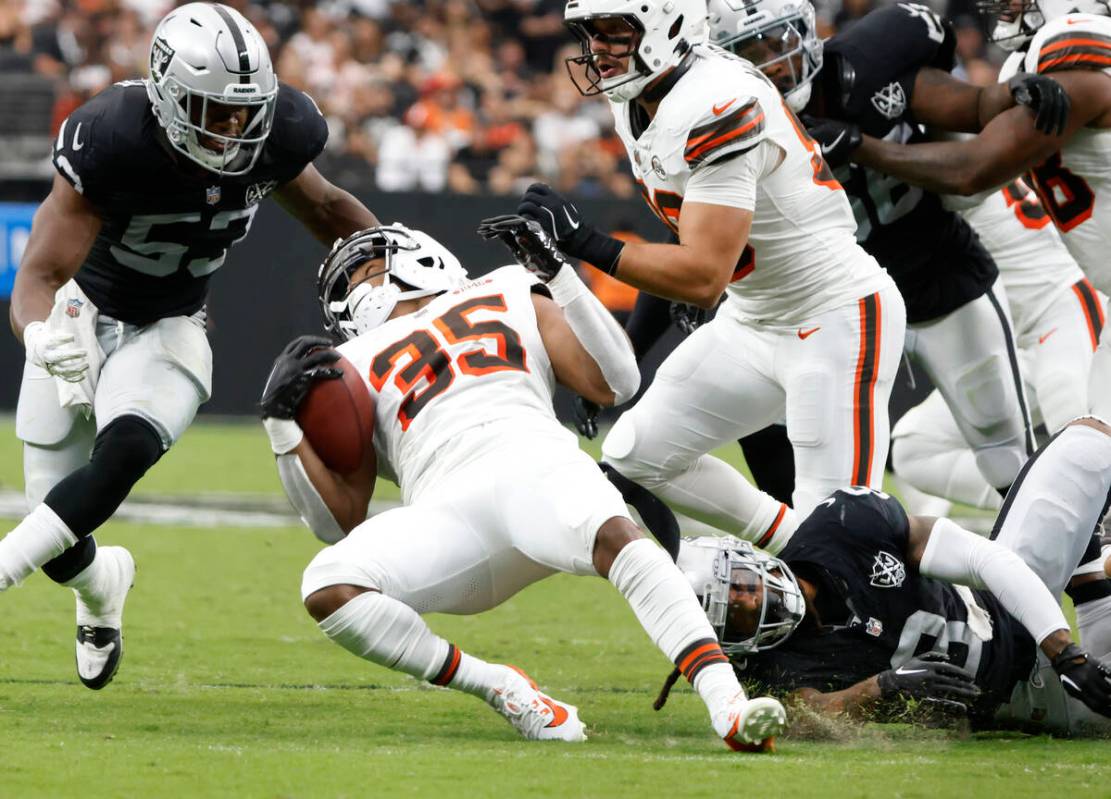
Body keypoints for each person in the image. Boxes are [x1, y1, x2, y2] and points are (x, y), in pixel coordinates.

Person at [257, 219, 787, 751]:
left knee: (617, 536)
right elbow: (337, 523)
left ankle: (728, 705)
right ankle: (501, 688)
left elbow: (616, 381)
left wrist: (561, 275)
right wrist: (281, 426)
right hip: (448, 510)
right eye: (350, 286)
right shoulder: (345, 367)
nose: (366, 286)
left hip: (535, 463)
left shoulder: (506, 285)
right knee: (329, 586)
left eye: (370, 268)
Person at [0, 2, 379, 690]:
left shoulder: (277, 133)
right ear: (168, 94)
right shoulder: (110, 136)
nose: (233, 128)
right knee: (60, 532)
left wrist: (394, 279)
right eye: (214, 110)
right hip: (82, 312)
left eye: (244, 111)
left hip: (170, 323)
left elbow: (328, 210)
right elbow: (40, 275)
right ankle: (101, 585)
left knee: (124, 453)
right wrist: (39, 332)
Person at [519, 0, 907, 539]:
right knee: (636, 455)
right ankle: (796, 547)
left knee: (844, 525)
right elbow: (690, 231)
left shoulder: (715, 100)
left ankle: (969, 608)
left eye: (613, 31)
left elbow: (703, 278)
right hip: (754, 318)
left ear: (667, 24)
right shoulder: (641, 92)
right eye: (591, 33)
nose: (597, 50)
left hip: (832, 314)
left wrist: (586, 243)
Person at [708, 0, 1070, 500]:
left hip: (939, 279)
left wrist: (1008, 94)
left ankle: (1084, 563)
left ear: (807, 34)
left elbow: (971, 117)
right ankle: (830, 567)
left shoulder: (870, 62)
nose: (772, 62)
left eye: (778, 42)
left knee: (1007, 455)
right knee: (809, 475)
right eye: (751, 52)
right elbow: (703, 233)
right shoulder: (727, 125)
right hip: (839, 311)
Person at [671, 416, 1111, 735]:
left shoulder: (843, 525)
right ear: (730, 642)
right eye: (734, 615)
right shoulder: (767, 667)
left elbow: (984, 558)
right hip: (1024, 700)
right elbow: (811, 715)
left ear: (748, 558)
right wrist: (884, 686)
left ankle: (1091, 565)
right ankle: (1093, 571)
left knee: (1086, 444)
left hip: (1010, 609)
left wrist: (1065, 653)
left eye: (741, 586)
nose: (749, 601)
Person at [813, 0, 1111, 418]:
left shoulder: (1074, 52)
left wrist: (864, 145)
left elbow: (971, 173)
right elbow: (964, 182)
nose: (1006, 7)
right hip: (1078, 294)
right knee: (921, 445)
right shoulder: (1018, 77)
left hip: (1063, 299)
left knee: (1080, 434)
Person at [892, 180, 1104, 512]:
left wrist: (864, 145)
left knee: (1076, 435)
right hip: (1017, 345)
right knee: (914, 447)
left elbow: (960, 173)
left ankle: (1091, 523)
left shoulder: (954, 166)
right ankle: (1042, 512)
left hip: (1062, 314)